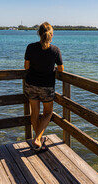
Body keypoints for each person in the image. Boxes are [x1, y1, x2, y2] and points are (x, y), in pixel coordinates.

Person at [24, 22, 64, 152]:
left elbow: (26, 67)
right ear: (51, 35)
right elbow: (61, 70)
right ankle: (38, 138)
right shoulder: (55, 50)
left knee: (34, 112)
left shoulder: (30, 47)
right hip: (46, 86)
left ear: (39, 34)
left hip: (31, 84)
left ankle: (38, 140)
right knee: (48, 113)